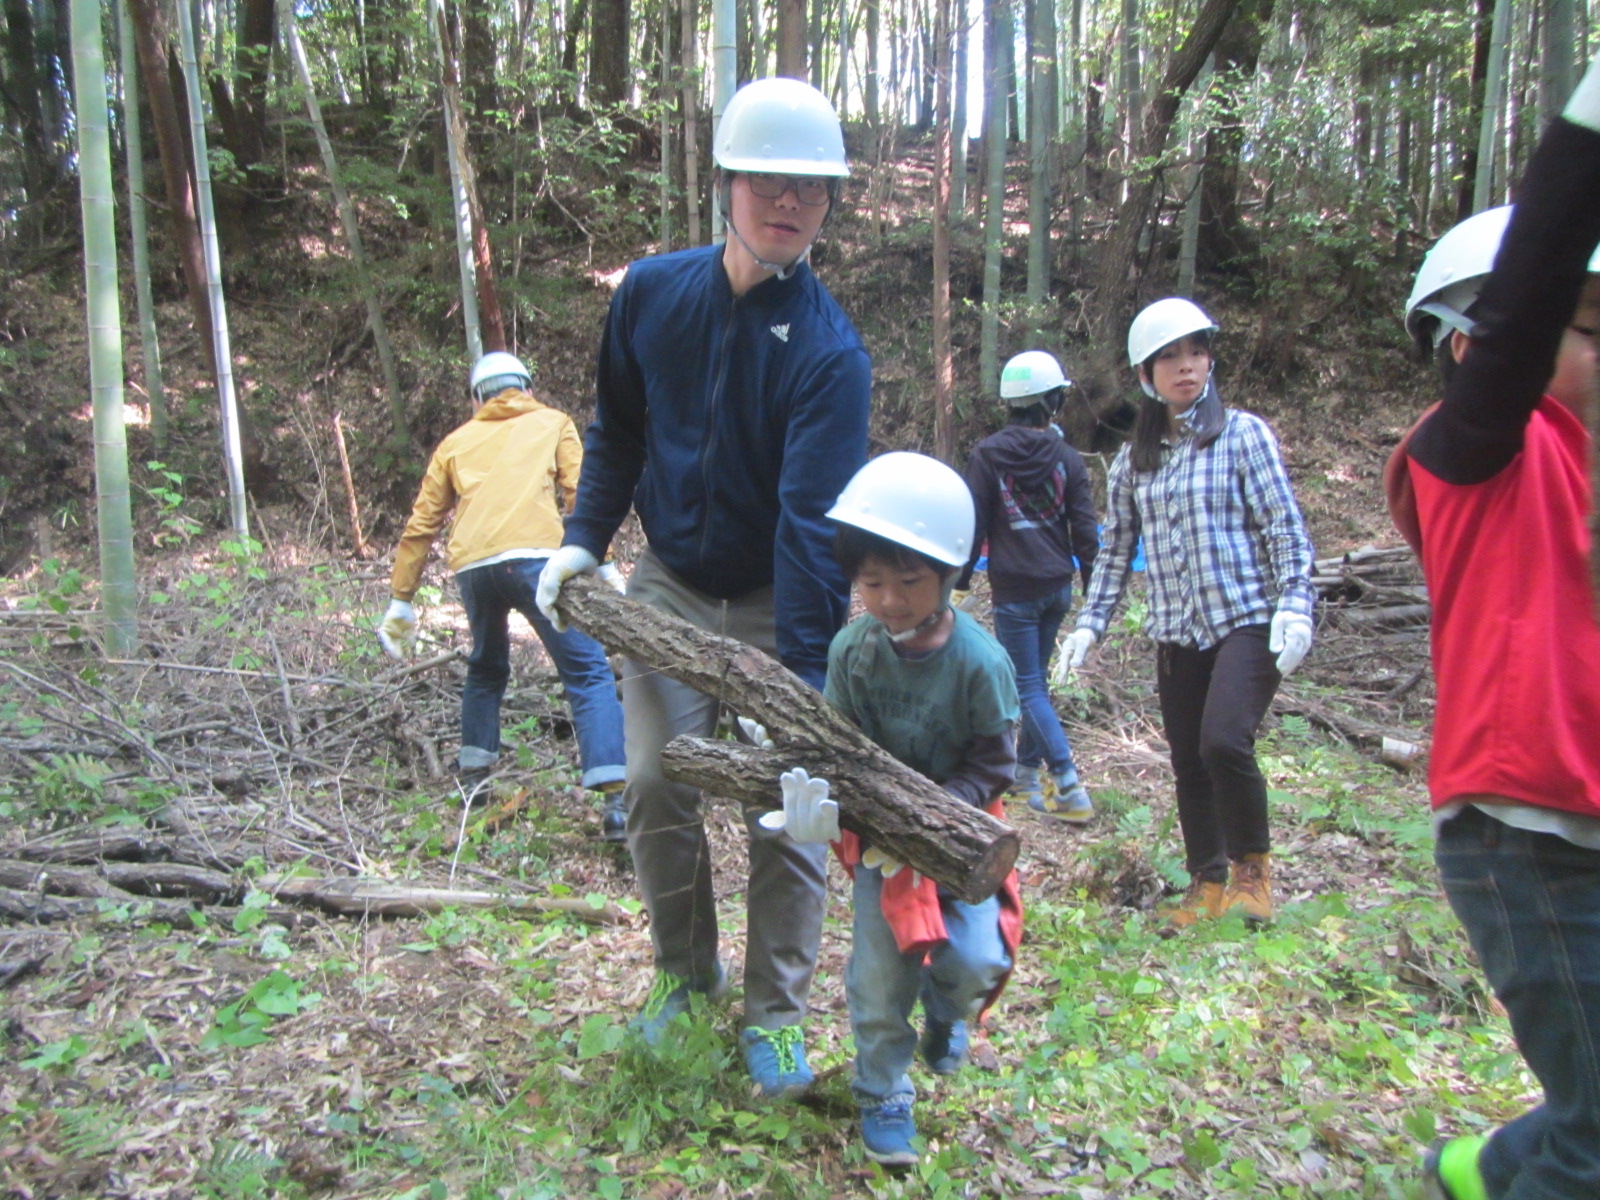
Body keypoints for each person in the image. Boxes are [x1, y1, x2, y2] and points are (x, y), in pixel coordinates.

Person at [534, 77, 872, 1096]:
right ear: (726, 179)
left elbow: (812, 529)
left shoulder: (829, 352)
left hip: (779, 602)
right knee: (651, 781)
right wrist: (584, 539)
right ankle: (684, 977)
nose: (788, 202)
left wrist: (799, 685)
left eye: (811, 189)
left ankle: (773, 1018)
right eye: (768, 179)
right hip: (669, 586)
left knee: (790, 808)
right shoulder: (650, 293)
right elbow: (619, 429)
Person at [1385, 54, 1600, 1200]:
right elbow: (1528, 307)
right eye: (1591, 327)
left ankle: (1480, 1167)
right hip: (1528, 834)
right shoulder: (1474, 454)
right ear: (1472, 347)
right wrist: (1583, 137)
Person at [760, 452, 1021, 1165]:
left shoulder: (978, 662)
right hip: (883, 848)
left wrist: (936, 816)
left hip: (963, 842)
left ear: (948, 576)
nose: (890, 599)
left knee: (973, 961)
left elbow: (997, 763)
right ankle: (883, 1093)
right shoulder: (854, 651)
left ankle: (948, 1012)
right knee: (878, 976)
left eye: (908, 581)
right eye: (872, 582)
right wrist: (829, 804)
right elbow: (838, 745)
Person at [1056, 298, 1314, 929]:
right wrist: (1091, 622)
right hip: (1176, 630)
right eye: (1169, 356)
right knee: (1188, 761)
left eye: (1196, 351)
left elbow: (1284, 527)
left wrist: (1296, 603)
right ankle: (1206, 883)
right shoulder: (1134, 462)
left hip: (1247, 617)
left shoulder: (1243, 435)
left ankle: (1253, 872)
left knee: (1223, 740)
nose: (1186, 366)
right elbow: (1115, 549)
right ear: (1146, 374)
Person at [377, 352, 627, 836]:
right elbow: (582, 494)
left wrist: (401, 599)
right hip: (538, 561)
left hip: (474, 568)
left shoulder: (456, 441)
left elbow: (422, 523)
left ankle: (473, 784)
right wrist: (608, 563)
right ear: (527, 387)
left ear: (476, 398)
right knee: (588, 670)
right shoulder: (553, 422)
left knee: (487, 668)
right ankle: (616, 802)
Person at [960, 350, 1099, 822]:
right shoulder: (1067, 459)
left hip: (1015, 589)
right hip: (1058, 585)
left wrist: (959, 583)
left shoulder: (987, 455)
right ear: (1051, 401)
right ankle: (1024, 776)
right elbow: (1085, 531)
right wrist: (1094, 588)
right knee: (1035, 683)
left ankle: (1068, 784)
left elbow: (974, 524)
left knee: (1027, 688)